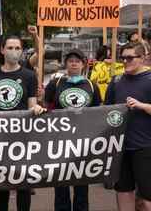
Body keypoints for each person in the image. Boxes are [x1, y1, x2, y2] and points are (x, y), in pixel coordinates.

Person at [0, 35, 45, 211]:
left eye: (17, 48)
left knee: (23, 182)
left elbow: (31, 104)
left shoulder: (29, 75)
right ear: (2, 50)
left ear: (22, 51)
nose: (13, 52)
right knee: (2, 183)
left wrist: (36, 108)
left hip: (22, 135)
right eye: (10, 48)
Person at [45, 48, 101, 211]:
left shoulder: (91, 85)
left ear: (83, 64)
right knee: (61, 184)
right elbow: (47, 107)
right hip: (60, 142)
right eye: (70, 61)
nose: (74, 63)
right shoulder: (55, 83)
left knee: (82, 186)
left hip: (83, 143)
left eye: (77, 61)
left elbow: (98, 112)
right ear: (66, 64)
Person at [105, 42, 151, 211]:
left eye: (130, 57)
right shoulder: (116, 81)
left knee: (147, 197)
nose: (125, 61)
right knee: (123, 191)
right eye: (122, 58)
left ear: (143, 57)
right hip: (120, 147)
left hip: (145, 147)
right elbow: (106, 111)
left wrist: (143, 106)